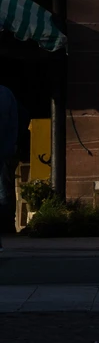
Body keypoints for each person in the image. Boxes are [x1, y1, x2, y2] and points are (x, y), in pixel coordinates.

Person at [0, 83, 21, 253]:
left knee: (3, 190)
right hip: (5, 149)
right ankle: (7, 226)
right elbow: (16, 120)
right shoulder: (6, 93)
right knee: (4, 189)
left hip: (5, 148)